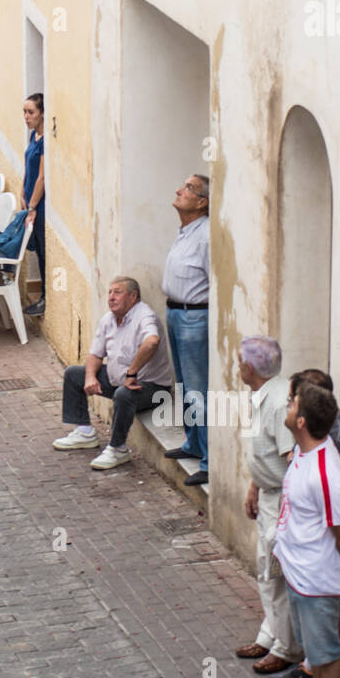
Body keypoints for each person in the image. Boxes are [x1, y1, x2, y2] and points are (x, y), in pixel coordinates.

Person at [274, 381, 340, 678]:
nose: (287, 406)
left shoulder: (327, 473)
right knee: (315, 652)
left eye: (291, 403)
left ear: (300, 421)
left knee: (327, 653)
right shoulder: (303, 452)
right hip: (299, 573)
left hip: (319, 580)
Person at [53, 276, 172, 470]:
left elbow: (152, 341)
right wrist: (90, 377)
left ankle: (118, 448)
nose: (111, 297)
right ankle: (84, 432)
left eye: (117, 292)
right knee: (74, 374)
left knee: (123, 394)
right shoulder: (109, 319)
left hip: (152, 389)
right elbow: (95, 354)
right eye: (110, 292)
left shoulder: (145, 316)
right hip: (118, 380)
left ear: (133, 296)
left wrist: (131, 374)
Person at [235, 338, 300, 675]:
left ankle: (286, 648)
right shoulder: (260, 395)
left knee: (276, 574)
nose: (237, 367)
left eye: (239, 362)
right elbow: (264, 452)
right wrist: (253, 486)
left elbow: (291, 458)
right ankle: (270, 634)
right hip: (269, 495)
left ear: (250, 367)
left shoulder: (277, 402)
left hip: (282, 502)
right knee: (266, 570)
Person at [161, 174, 211, 486]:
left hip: (194, 317)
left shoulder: (205, 235)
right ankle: (192, 443)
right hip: (175, 312)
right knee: (183, 386)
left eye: (189, 188)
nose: (180, 190)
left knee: (198, 390)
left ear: (202, 202)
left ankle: (209, 460)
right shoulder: (186, 231)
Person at [21, 94, 46, 318]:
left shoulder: (46, 141)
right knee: (36, 248)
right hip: (28, 199)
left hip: (39, 204)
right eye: (25, 112)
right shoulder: (33, 136)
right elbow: (28, 169)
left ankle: (45, 296)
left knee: (43, 252)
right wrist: (22, 192)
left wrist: (32, 205)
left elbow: (41, 177)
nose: (27, 117)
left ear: (42, 113)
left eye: (31, 112)